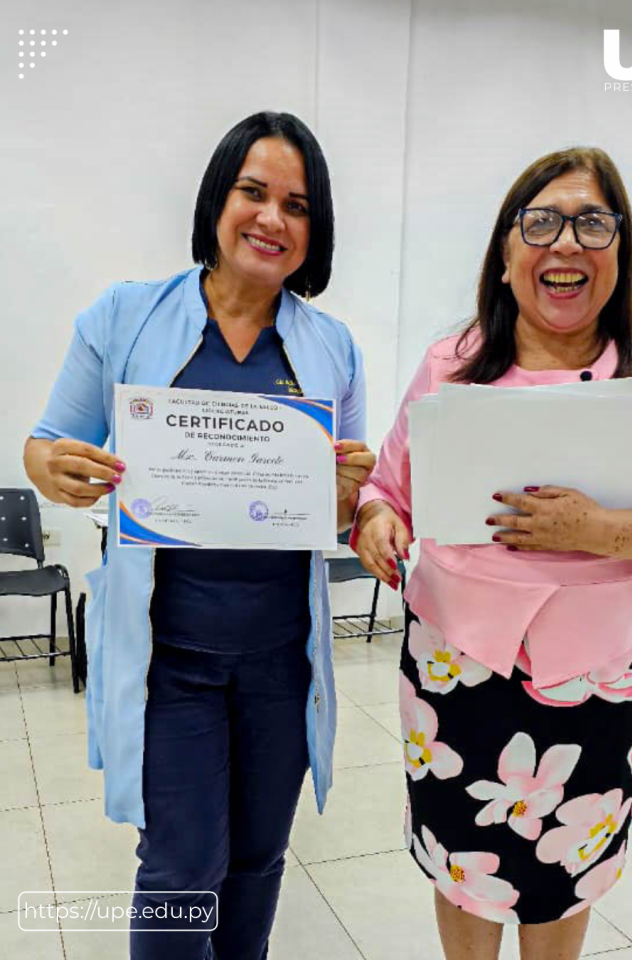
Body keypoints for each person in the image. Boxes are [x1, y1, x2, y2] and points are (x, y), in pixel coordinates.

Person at [351, 146, 632, 960]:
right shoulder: (453, 364)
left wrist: (597, 529)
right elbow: (385, 490)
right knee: (464, 864)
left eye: (592, 223)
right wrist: (374, 522)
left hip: (604, 676)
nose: (565, 242)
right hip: (453, 673)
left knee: (568, 868)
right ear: (505, 256)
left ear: (620, 252)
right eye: (540, 222)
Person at [24, 111, 375, 960]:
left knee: (256, 862)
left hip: (279, 660)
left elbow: (337, 515)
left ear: (314, 229)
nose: (272, 219)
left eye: (296, 205)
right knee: (181, 868)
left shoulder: (332, 349)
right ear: (217, 199)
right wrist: (52, 470)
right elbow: (45, 442)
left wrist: (348, 496)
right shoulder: (125, 317)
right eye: (253, 192)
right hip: (169, 658)